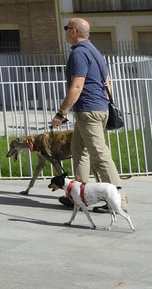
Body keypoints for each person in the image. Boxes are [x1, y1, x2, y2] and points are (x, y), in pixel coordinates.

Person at [51, 17, 124, 208]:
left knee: (100, 156)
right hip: (98, 109)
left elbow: (77, 86)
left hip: (89, 111)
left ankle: (118, 200)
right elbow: (108, 82)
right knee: (78, 150)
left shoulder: (79, 54)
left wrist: (61, 113)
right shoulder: (95, 51)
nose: (65, 31)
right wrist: (103, 105)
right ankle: (77, 195)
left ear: (73, 31)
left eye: (66, 28)